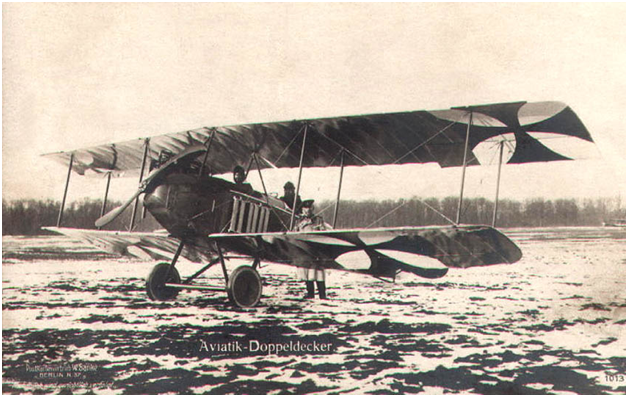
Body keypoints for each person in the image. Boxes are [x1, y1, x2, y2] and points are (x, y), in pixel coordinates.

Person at [296, 200, 330, 299]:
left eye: (310, 208)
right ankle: (310, 294)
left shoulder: (318, 220)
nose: (308, 210)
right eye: (306, 208)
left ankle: (322, 295)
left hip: (316, 249)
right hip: (304, 249)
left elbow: (325, 230)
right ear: (302, 209)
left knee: (319, 272)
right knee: (308, 273)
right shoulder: (299, 221)